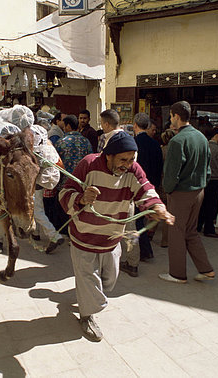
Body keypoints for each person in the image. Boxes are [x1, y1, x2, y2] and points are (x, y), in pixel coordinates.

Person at [59, 131, 174, 341]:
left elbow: (145, 189)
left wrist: (158, 207)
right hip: (83, 238)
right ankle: (87, 316)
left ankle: (87, 298)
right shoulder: (88, 164)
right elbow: (65, 192)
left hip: (112, 239)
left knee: (108, 281)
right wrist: (82, 198)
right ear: (108, 155)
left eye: (131, 160)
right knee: (89, 281)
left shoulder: (133, 169)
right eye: (123, 159)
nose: (127, 164)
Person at [161, 101, 215, 284]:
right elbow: (208, 169)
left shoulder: (177, 141)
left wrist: (167, 191)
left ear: (176, 116)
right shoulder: (201, 137)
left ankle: (177, 274)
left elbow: (171, 173)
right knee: (191, 231)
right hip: (199, 191)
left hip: (181, 193)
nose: (170, 120)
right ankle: (206, 269)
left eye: (170, 116)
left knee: (176, 233)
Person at [120, 113, 164, 277]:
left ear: (135, 125)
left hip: (135, 190)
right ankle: (145, 252)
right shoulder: (155, 144)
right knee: (139, 221)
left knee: (133, 224)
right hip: (150, 188)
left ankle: (135, 260)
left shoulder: (133, 144)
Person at [46, 115, 93, 254]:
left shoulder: (61, 142)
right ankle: (79, 233)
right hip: (82, 182)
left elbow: (54, 162)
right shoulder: (86, 142)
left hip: (65, 183)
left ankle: (66, 234)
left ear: (67, 126)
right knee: (80, 208)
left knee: (64, 206)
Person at [158, 128, 177, 248]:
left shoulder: (162, 150)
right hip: (170, 183)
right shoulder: (174, 150)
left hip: (161, 181)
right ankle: (165, 240)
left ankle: (150, 233)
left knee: (159, 208)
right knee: (168, 211)